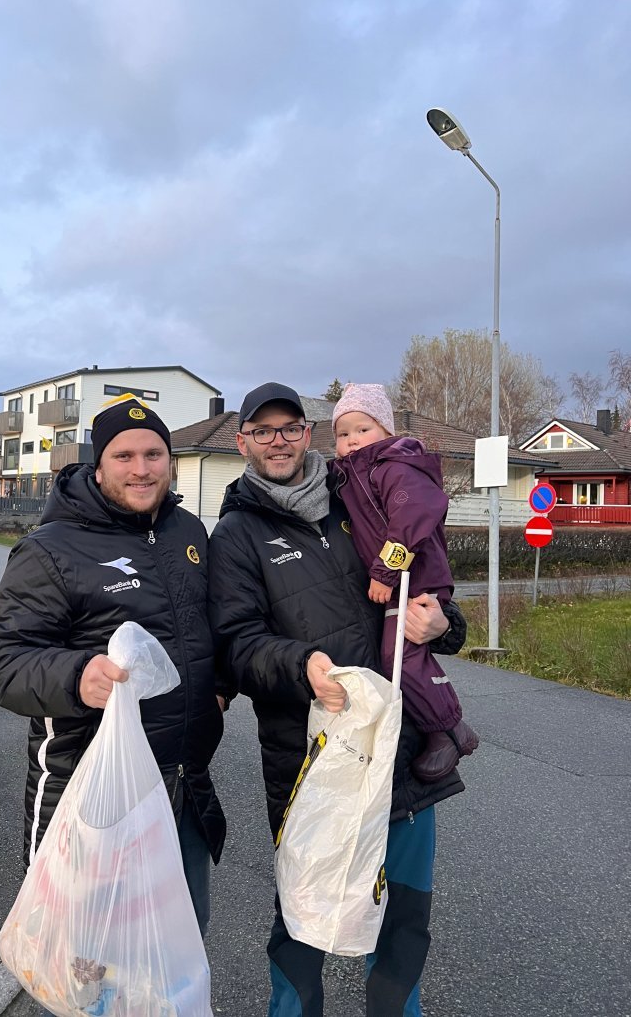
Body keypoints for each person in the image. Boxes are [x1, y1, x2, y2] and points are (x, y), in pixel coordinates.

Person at [207, 381, 468, 1017]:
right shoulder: (236, 535)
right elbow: (237, 644)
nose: (278, 441)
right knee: (304, 923)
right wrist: (301, 667)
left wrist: (447, 626)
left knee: (403, 924)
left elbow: (428, 587)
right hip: (310, 761)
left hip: (401, 754)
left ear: (309, 434)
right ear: (243, 442)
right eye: (262, 431)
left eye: (290, 427)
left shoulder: (361, 500)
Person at [0, 397, 225, 945]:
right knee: (81, 963)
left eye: (154, 453)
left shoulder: (189, 534)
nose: (142, 469)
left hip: (180, 785)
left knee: (175, 952)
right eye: (124, 455)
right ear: (98, 464)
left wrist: (220, 688)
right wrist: (74, 675)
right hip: (89, 795)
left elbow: (209, 631)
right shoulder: (50, 550)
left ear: (171, 460)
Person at [332, 382, 479, 781]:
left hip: (415, 580)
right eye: (343, 434)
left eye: (363, 430)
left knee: (401, 659)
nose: (352, 441)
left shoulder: (395, 467)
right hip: (403, 581)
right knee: (397, 657)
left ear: (386, 431)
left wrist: (384, 572)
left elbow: (411, 521)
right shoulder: (355, 473)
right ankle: (449, 728)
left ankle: (447, 730)